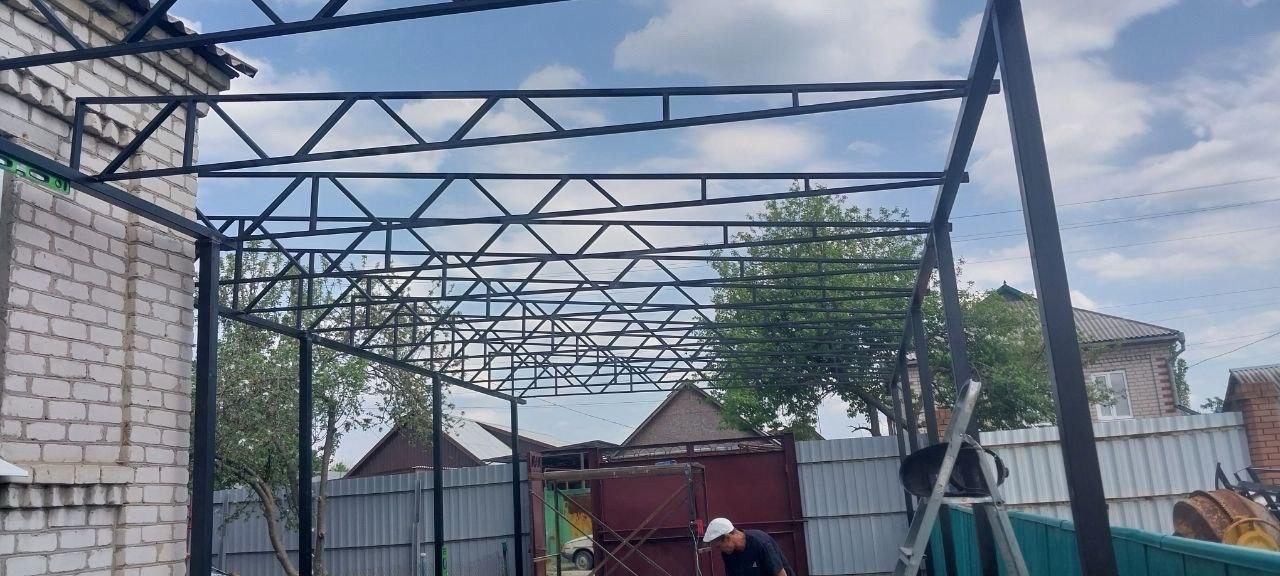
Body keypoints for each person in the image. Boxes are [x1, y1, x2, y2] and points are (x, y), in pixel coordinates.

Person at [702, 517, 795, 576]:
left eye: (719, 546)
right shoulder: (728, 554)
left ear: (727, 538)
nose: (720, 550)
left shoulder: (760, 543)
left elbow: (781, 574)